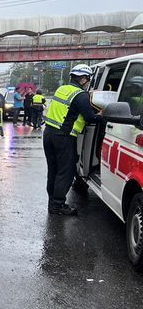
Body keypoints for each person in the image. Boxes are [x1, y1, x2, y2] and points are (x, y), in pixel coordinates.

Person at [43, 64, 104, 215]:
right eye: (88, 79)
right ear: (83, 79)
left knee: (54, 170)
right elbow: (90, 117)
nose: (88, 82)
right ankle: (57, 206)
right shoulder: (81, 95)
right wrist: (102, 117)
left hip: (49, 133)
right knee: (66, 171)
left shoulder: (62, 89)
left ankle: (52, 202)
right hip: (63, 137)